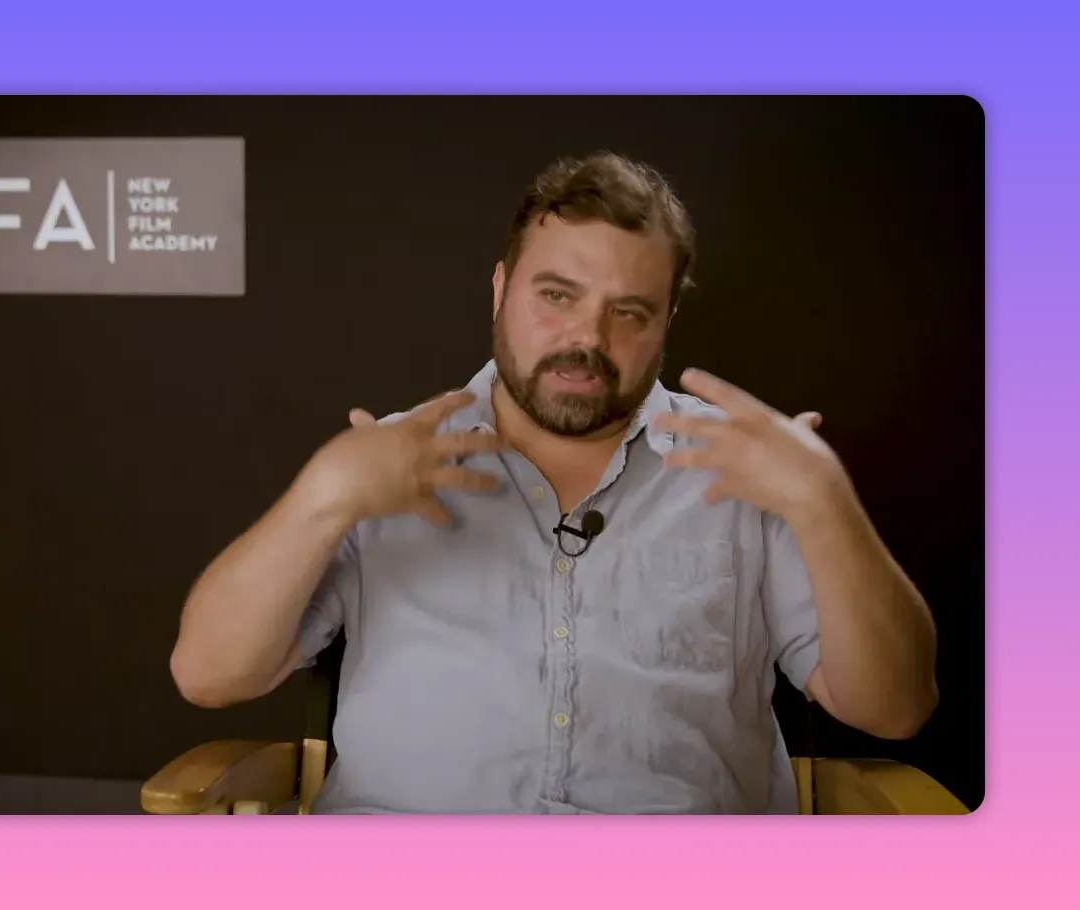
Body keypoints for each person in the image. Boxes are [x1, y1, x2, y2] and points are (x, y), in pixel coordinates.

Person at [169, 151, 939, 814]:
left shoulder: (755, 469)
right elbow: (208, 675)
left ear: (667, 319)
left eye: (629, 312)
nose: (587, 339)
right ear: (501, 290)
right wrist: (322, 497)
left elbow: (895, 709)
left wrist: (825, 503)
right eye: (557, 295)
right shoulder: (383, 461)